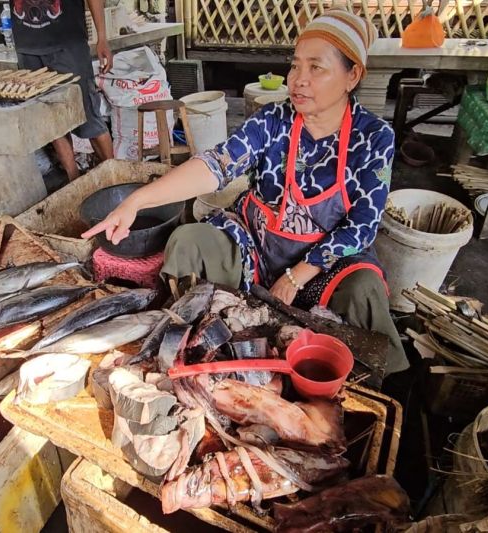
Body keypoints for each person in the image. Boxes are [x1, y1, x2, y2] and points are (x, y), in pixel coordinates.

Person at [83, 11, 409, 374]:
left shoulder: (373, 137)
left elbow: (363, 226)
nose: (299, 80)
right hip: (255, 248)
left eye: (316, 68)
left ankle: (375, 385)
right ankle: (188, 350)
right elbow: (216, 164)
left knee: (364, 288)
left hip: (323, 267)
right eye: (295, 66)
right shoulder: (273, 120)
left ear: (352, 76)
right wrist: (137, 200)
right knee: (189, 239)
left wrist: (298, 273)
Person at [11, 0, 114, 180]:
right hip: (27, 48)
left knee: (87, 115)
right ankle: (73, 180)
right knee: (52, 121)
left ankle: (115, 177)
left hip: (68, 45)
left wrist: (102, 38)